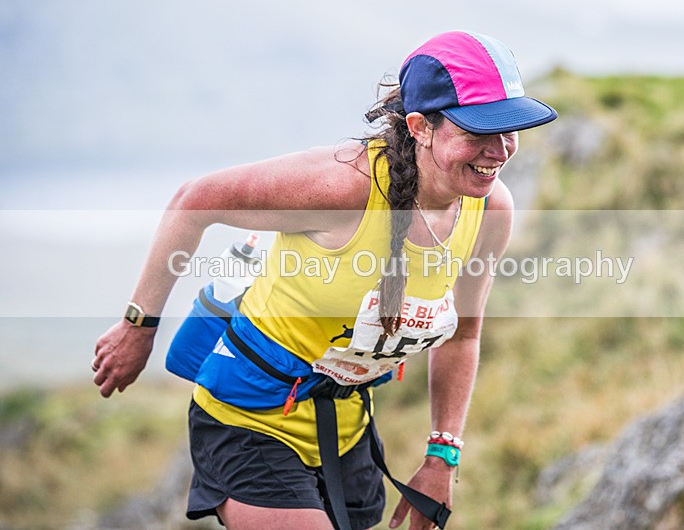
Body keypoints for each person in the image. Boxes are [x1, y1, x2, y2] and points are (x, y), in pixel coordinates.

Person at [92, 30, 556, 530]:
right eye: (478, 132)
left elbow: (463, 334)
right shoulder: (342, 187)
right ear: (420, 126)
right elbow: (195, 200)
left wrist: (442, 456)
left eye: (511, 129)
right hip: (247, 416)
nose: (500, 150)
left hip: (346, 428)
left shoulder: (490, 209)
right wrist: (138, 327)